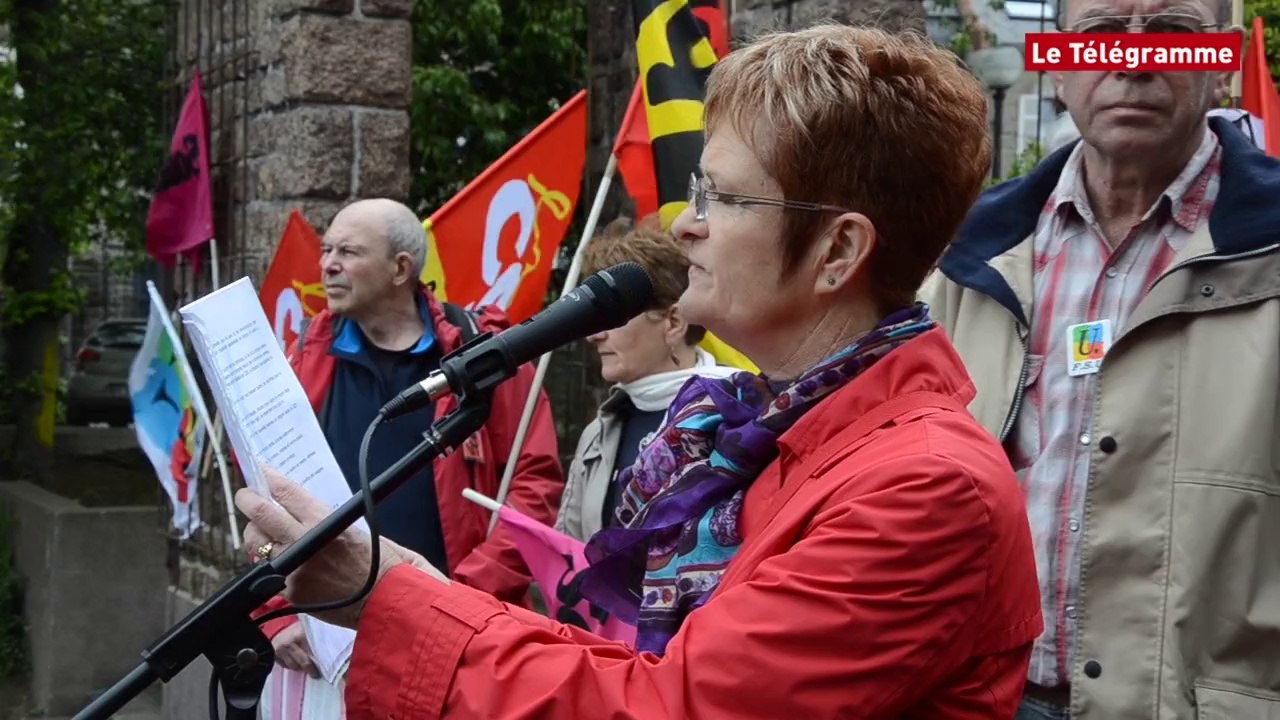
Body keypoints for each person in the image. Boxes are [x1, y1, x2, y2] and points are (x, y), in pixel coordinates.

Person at [237, 26, 1043, 718]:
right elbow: (629, 665)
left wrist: (389, 600)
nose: (684, 225)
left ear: (838, 251)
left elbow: (668, 706)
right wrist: (414, 585)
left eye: (722, 198)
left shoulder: (926, 489)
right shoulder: (755, 437)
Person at [919, 0, 1280, 716]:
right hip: (979, 700)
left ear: (1224, 60)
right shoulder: (965, 262)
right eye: (1101, 34)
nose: (1134, 59)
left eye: (1174, 35)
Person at [253, 199, 565, 702]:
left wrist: (452, 601)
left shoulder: (484, 357)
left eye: (349, 251)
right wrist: (273, 613)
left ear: (401, 268)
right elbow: (263, 492)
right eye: (327, 248)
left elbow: (533, 489)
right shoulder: (302, 356)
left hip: (455, 637)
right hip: (320, 644)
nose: (327, 263)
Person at [554, 214, 739, 542]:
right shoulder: (597, 433)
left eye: (610, 318)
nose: (593, 336)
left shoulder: (738, 415)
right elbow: (568, 547)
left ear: (673, 323)